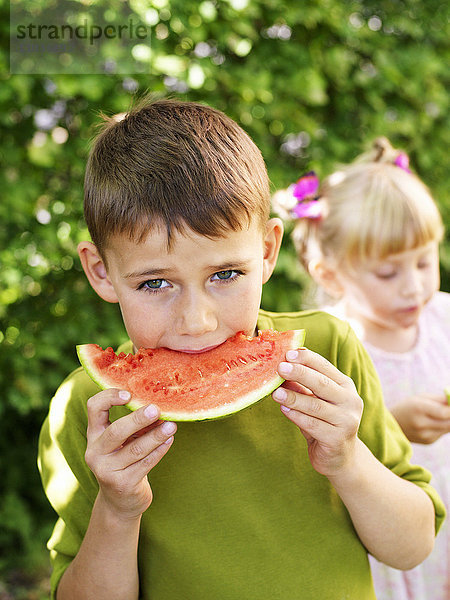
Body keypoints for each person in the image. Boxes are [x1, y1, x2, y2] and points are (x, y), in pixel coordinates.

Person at [38, 102, 445, 600]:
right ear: (101, 271)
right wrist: (117, 509)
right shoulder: (89, 410)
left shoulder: (327, 353)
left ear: (269, 250)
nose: (197, 321)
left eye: (225, 275)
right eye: (156, 283)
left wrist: (347, 459)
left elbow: (413, 547)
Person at [273, 136, 450, 599]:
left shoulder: (446, 318)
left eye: (424, 262)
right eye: (388, 273)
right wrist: (393, 425)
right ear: (330, 275)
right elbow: (317, 451)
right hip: (385, 533)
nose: (413, 287)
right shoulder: (330, 346)